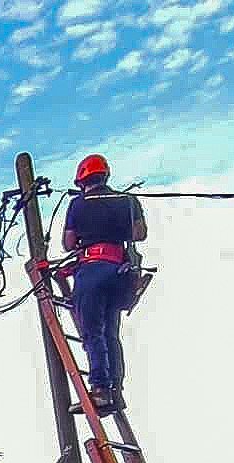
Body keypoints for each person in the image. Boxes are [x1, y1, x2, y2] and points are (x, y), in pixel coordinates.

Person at [59, 153, 147, 413]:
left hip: (92, 270)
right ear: (106, 175)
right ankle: (115, 392)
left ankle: (99, 390)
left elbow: (68, 243)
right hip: (121, 272)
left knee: (92, 332)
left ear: (82, 180)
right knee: (110, 333)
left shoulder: (77, 204)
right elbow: (139, 234)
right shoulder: (128, 201)